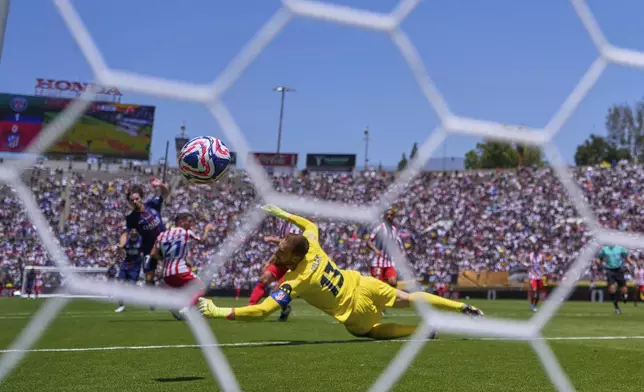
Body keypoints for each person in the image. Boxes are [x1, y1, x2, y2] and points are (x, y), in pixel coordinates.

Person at [198, 205, 483, 340]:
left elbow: (261, 312)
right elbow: (307, 222)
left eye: (281, 251)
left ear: (296, 256)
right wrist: (281, 214)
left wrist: (216, 311)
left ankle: (421, 332)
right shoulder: (312, 243)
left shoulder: (297, 281)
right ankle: (461, 307)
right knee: (407, 298)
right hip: (365, 284)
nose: (277, 253)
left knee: (367, 332)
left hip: (354, 311)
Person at [150, 212, 213, 320]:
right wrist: (207, 229)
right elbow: (202, 240)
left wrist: (166, 260)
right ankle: (187, 309)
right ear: (181, 222)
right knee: (201, 287)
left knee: (185, 291)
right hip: (180, 270)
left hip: (166, 273)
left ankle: (177, 308)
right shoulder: (186, 232)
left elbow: (153, 253)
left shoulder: (162, 235)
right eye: (189, 221)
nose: (191, 224)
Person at [120, 179, 168, 308]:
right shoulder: (131, 218)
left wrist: (160, 185)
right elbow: (126, 231)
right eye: (132, 200)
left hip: (165, 243)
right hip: (149, 248)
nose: (135, 201)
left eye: (137, 199)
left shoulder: (152, 204)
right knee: (148, 276)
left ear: (141, 198)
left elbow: (165, 192)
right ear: (129, 202)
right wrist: (121, 243)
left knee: (172, 270)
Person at [247, 217, 302, 322]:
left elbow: (291, 244)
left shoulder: (297, 225)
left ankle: (285, 309)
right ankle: (250, 308)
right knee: (263, 279)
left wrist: (272, 239)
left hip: (293, 264)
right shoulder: (283, 224)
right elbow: (282, 248)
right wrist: (270, 260)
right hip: (281, 261)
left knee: (278, 290)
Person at [366, 209, 401, 288]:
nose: (389, 216)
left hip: (389, 262)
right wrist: (375, 250)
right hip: (378, 262)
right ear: (384, 216)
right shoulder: (379, 228)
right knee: (378, 286)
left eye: (391, 215)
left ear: (393, 217)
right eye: (387, 215)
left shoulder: (394, 229)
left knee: (393, 282)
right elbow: (368, 241)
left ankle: (391, 299)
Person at [597, 245, 635, 315]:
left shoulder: (620, 248)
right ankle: (616, 308)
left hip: (619, 270)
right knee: (612, 288)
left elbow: (626, 257)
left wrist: (631, 262)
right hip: (609, 270)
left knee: (624, 290)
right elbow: (600, 258)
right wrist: (598, 263)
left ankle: (624, 296)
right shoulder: (605, 249)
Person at [113, 229, 144, 313]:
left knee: (131, 286)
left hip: (135, 266)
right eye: (132, 230)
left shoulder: (141, 240)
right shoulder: (125, 240)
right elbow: (118, 248)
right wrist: (115, 250)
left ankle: (140, 291)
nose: (133, 232)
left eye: (135, 230)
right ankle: (121, 305)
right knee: (120, 284)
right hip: (126, 264)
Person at [525, 244, 547, 312]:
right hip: (533, 276)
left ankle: (533, 305)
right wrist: (528, 265)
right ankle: (532, 304)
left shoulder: (541, 256)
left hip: (539, 276)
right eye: (535, 248)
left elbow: (544, 264)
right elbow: (526, 263)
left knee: (538, 294)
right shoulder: (530, 255)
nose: (536, 250)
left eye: (537, 249)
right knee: (534, 290)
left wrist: (542, 266)